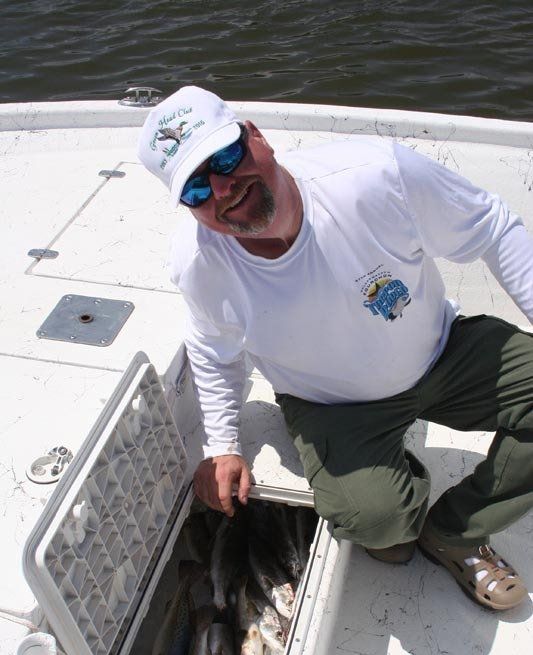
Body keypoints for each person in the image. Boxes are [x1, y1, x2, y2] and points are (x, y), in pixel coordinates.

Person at [138, 85, 533, 611]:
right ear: (188, 208)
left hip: (443, 352)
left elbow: (493, 227)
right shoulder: (199, 263)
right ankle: (390, 491)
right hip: (332, 404)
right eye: (196, 189)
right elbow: (213, 349)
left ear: (256, 136)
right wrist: (224, 446)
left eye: (226, 157)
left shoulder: (374, 177)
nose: (223, 188)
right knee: (382, 530)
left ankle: (456, 530)